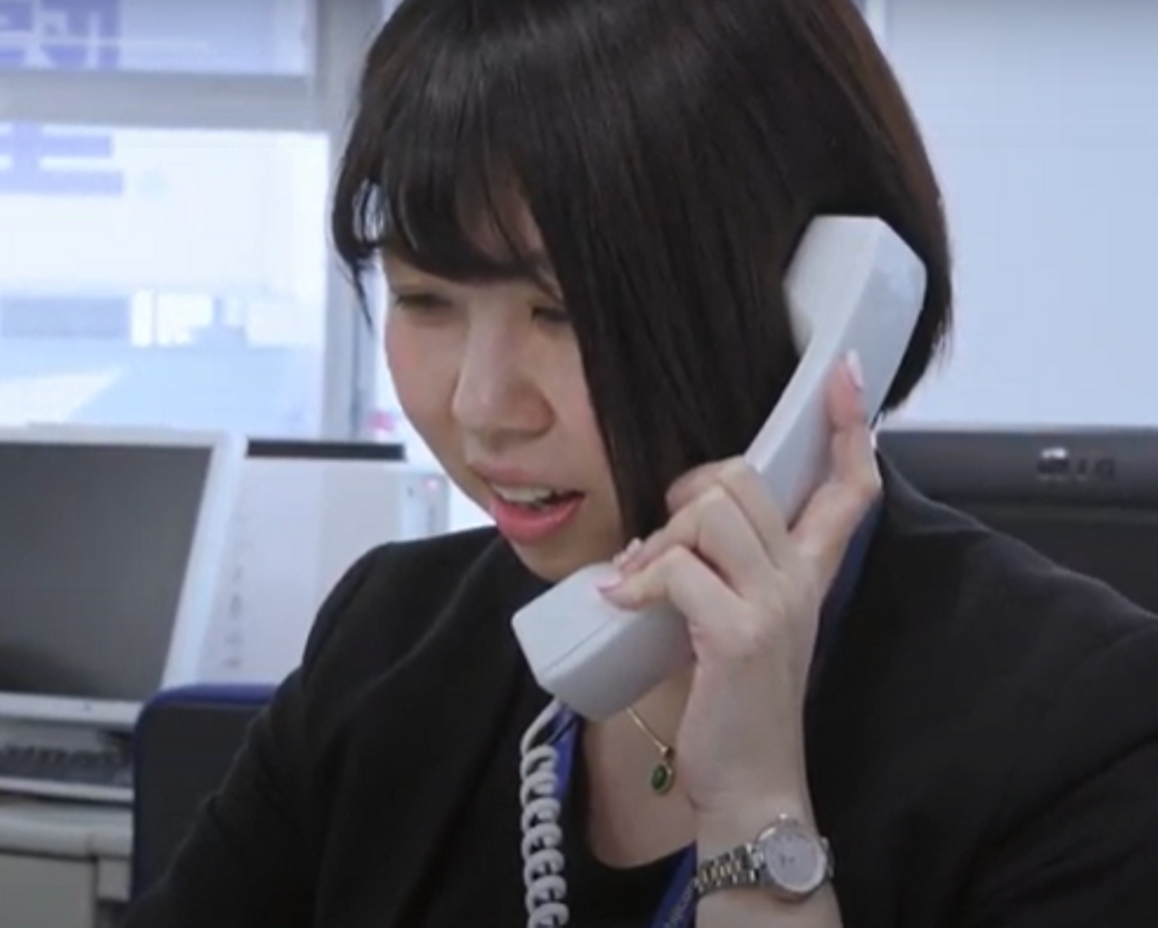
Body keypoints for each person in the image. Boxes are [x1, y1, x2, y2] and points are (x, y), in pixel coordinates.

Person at [122, 0, 1158, 925]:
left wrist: (754, 809)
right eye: (426, 299)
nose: (481, 407)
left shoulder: (1082, 726)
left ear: (817, 301)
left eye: (562, 311)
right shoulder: (389, 641)